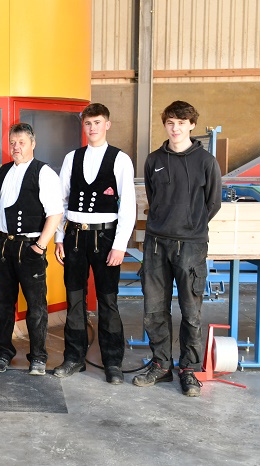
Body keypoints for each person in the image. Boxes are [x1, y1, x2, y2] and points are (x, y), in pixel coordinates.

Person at [132, 101, 222, 396]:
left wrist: (190, 227)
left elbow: (213, 203)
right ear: (165, 125)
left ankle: (189, 370)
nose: (176, 128)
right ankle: (161, 365)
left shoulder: (206, 162)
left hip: (191, 247)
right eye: (170, 122)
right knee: (154, 309)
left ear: (192, 125)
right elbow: (153, 196)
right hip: (156, 244)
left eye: (182, 123)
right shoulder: (154, 159)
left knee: (190, 312)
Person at [53, 103, 136, 384]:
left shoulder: (120, 159)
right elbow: (61, 201)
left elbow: (128, 206)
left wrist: (120, 244)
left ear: (107, 124)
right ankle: (74, 358)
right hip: (75, 237)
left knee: (108, 301)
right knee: (75, 300)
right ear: (83, 126)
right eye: (88, 123)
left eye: (98, 122)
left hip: (106, 238)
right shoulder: (72, 158)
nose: (93, 128)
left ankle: (113, 362)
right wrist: (59, 237)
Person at [0, 123, 63, 375]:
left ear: (33, 144)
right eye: (12, 143)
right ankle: (3, 353)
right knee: (3, 305)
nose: (16, 147)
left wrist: (39, 247)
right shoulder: (3, 170)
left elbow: (55, 213)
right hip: (3, 247)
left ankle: (38, 357)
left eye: (21, 142)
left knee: (36, 307)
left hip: (30, 248)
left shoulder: (44, 172)